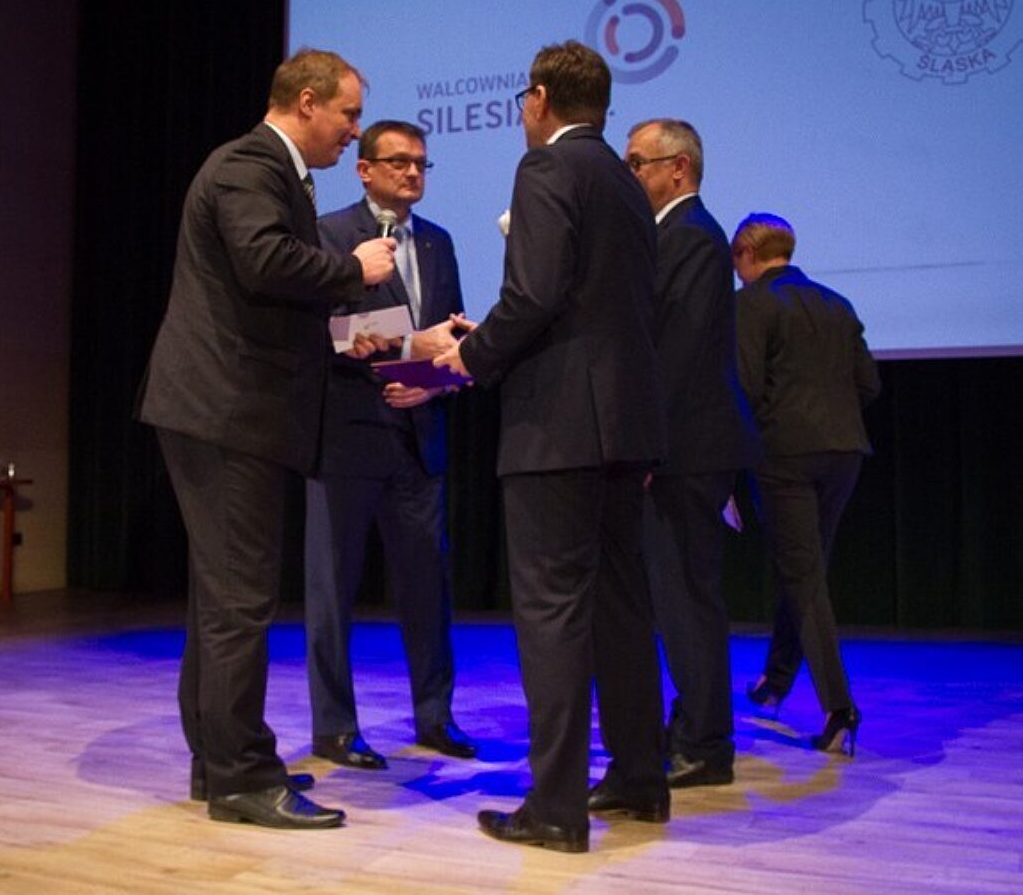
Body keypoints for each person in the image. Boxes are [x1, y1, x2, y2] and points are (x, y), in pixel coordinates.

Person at [137, 48, 397, 830]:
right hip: (227, 412)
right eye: (349, 114)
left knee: (223, 597)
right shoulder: (251, 163)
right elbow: (263, 261)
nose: (354, 131)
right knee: (239, 600)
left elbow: (265, 288)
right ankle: (242, 779)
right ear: (307, 101)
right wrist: (351, 269)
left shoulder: (273, 170)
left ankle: (218, 762)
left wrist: (341, 332)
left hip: (228, 411)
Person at [435, 41, 667, 853]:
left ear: (538, 99)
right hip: (625, 426)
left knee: (554, 613)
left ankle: (557, 810)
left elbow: (532, 294)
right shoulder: (628, 183)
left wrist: (472, 354)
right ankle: (640, 779)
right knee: (622, 608)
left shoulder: (546, 167)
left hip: (559, 427)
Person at [305, 120, 477, 769]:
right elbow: (324, 330)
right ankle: (334, 729)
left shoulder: (438, 242)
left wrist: (433, 383)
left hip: (418, 441)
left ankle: (435, 717)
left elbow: (449, 338)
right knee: (332, 590)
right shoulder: (329, 235)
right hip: (347, 437)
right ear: (365, 169)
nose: (412, 173)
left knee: (428, 589)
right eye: (399, 162)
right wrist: (408, 347)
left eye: (421, 164)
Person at [623, 119, 761, 787]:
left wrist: (647, 448)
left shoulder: (692, 236)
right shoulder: (677, 235)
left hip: (685, 448)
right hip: (687, 445)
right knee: (678, 595)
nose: (629, 175)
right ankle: (694, 727)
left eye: (637, 163)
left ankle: (705, 744)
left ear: (678, 168)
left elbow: (674, 353)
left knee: (685, 598)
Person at [732, 212, 879, 756]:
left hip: (785, 456)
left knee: (804, 575)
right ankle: (775, 681)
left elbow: (744, 387)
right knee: (805, 570)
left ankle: (840, 710)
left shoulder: (750, 303)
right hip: (844, 452)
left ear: (748, 254)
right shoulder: (837, 303)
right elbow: (869, 383)